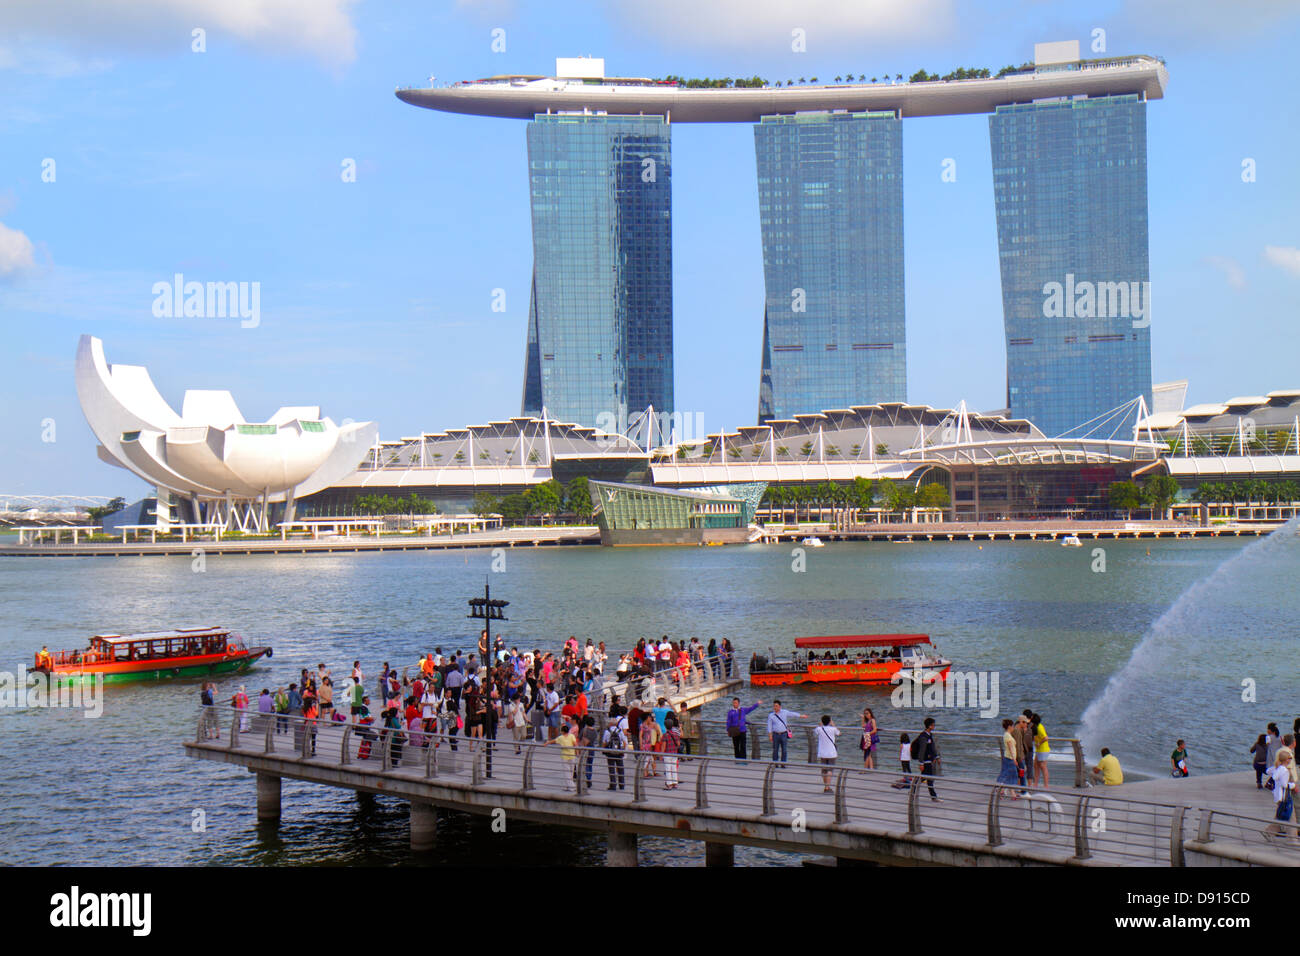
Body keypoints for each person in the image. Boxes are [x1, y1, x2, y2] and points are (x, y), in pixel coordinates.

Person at [1266, 750, 1298, 840]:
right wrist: (1293, 785)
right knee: (1291, 817)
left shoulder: (1277, 768)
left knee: (1280, 815)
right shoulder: (1285, 771)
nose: (1291, 760)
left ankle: (1269, 832)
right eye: (1290, 758)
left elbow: (1268, 771)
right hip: (1284, 796)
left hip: (1278, 796)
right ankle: (1292, 839)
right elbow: (1285, 785)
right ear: (1286, 760)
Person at [766, 700, 804, 768]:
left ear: (780, 707)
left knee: (784, 750)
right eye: (774, 706)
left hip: (784, 734)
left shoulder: (784, 712)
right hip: (775, 734)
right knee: (775, 750)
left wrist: (800, 716)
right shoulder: (771, 715)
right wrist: (770, 735)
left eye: (776, 706)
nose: (775, 707)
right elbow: (769, 726)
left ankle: (783, 764)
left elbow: (792, 714)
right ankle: (775, 764)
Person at [726, 697, 762, 762]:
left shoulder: (743, 710)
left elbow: (751, 708)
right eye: (734, 703)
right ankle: (737, 759)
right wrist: (728, 730)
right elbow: (728, 722)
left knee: (743, 746)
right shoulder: (730, 712)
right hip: (734, 731)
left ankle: (743, 760)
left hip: (742, 730)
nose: (734, 704)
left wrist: (757, 704)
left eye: (736, 703)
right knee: (736, 746)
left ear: (739, 703)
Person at [914, 718, 940, 801]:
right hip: (926, 761)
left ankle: (913, 790)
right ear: (929, 726)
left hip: (929, 760)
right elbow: (922, 750)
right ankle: (933, 797)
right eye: (933, 725)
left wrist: (937, 756)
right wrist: (921, 763)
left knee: (926, 778)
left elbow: (932, 747)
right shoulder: (923, 737)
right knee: (927, 778)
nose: (934, 726)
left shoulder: (929, 735)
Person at [604, 708, 628, 791]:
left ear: (610, 724)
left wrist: (604, 749)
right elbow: (624, 742)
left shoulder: (607, 732)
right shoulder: (620, 731)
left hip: (610, 752)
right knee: (620, 768)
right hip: (619, 751)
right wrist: (623, 750)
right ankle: (621, 785)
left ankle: (613, 785)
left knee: (612, 768)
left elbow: (604, 742)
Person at [997, 719, 1021, 798]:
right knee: (1013, 775)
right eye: (1013, 726)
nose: (1013, 727)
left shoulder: (1007, 735)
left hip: (1008, 757)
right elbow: (1010, 748)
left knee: (1007, 774)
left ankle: (1005, 791)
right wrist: (1014, 759)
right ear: (1009, 726)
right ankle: (1002, 790)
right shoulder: (1007, 735)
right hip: (1010, 758)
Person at [815, 715, 840, 793]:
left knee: (824, 770)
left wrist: (820, 725)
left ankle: (826, 786)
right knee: (830, 770)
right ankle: (827, 787)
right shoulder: (833, 729)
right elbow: (839, 733)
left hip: (822, 753)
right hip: (831, 753)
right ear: (829, 721)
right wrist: (833, 724)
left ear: (822, 721)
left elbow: (815, 732)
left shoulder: (819, 729)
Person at [551, 722, 578, 791]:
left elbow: (553, 741)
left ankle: (571, 787)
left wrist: (546, 743)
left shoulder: (561, 737)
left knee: (567, 772)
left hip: (565, 757)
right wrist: (577, 752)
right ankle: (569, 786)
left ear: (562, 731)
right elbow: (575, 744)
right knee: (571, 772)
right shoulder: (571, 736)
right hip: (572, 756)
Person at [662, 714, 683, 789]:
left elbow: (663, 746)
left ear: (665, 726)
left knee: (668, 768)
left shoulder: (665, 735)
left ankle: (669, 784)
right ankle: (675, 783)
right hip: (674, 753)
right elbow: (678, 744)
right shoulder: (675, 734)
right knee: (674, 768)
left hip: (667, 754)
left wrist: (661, 754)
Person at [1032, 713, 1050, 788]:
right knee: (1036, 765)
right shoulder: (1035, 727)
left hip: (1043, 749)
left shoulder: (1039, 727)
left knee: (1043, 766)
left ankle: (1046, 785)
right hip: (1039, 750)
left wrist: (1039, 743)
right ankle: (1035, 784)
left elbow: (1046, 737)